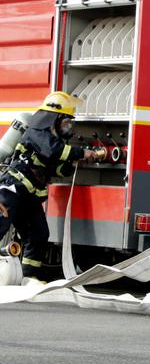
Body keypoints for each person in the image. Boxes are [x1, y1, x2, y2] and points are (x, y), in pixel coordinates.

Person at [0, 92, 94, 279]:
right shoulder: (37, 132)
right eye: (67, 122)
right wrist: (82, 153)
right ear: (55, 118)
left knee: (38, 234)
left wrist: (73, 165)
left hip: (30, 195)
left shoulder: (51, 140)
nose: (69, 128)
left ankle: (26, 277)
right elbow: (54, 150)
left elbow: (54, 167)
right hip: (13, 189)